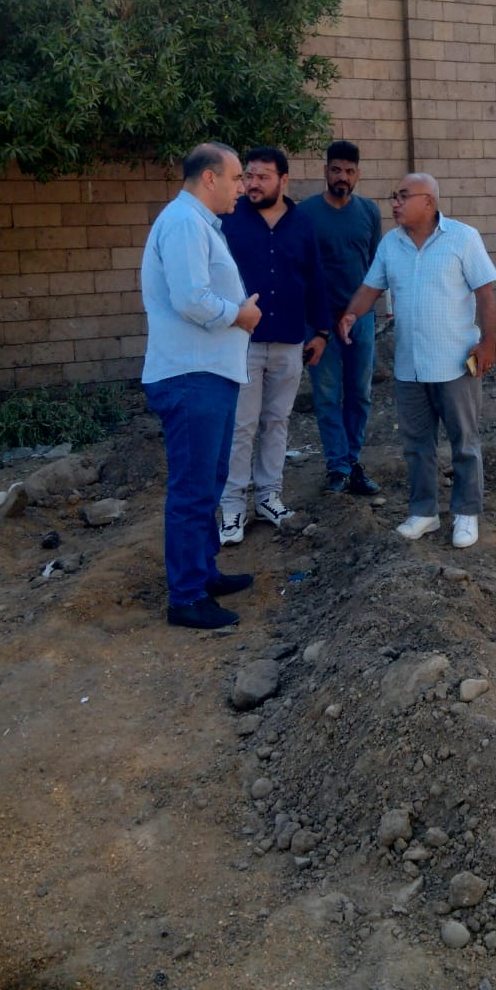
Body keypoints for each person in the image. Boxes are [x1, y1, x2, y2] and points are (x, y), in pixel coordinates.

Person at [338, 172, 496, 548]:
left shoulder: (463, 238)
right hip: (409, 366)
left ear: (428, 202)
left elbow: (485, 293)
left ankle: (466, 513)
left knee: (464, 441)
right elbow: (370, 288)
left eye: (402, 196)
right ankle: (424, 512)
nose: (394, 203)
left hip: (455, 363)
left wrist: (488, 343)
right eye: (393, 196)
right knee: (416, 444)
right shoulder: (390, 244)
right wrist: (351, 314)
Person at [141, 143, 262, 630]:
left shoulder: (198, 223)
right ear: (209, 178)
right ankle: (187, 597)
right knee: (193, 490)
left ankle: (202, 572)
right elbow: (191, 298)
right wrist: (240, 314)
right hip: (192, 376)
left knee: (208, 482)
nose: (243, 188)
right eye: (236, 178)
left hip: (208, 374)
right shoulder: (184, 223)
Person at [218, 146, 329, 545]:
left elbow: (315, 278)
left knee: (277, 422)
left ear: (284, 180)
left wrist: (321, 332)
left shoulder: (302, 224)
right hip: (241, 343)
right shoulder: (229, 220)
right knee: (241, 426)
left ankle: (268, 497)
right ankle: (232, 507)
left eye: (262, 177)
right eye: (248, 175)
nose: (252, 183)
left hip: (289, 342)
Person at [297, 140, 383, 496]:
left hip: (361, 319)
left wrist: (360, 310)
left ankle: (353, 461)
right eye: (336, 170)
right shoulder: (305, 213)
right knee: (327, 395)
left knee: (360, 394)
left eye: (349, 171)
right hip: (320, 323)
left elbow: (376, 267)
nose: (342, 177)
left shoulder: (369, 212)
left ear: (357, 174)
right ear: (326, 172)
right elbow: (300, 269)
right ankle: (337, 467)